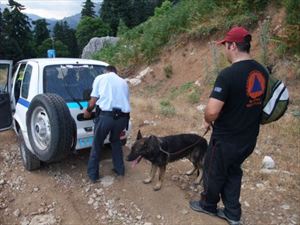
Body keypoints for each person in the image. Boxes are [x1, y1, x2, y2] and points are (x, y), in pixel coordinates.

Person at [189, 27, 269, 225]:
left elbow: (212, 111)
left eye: (225, 46)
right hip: (249, 138)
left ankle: (208, 205)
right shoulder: (263, 71)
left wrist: (207, 118)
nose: (225, 50)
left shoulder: (227, 75)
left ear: (233, 46)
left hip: (226, 139)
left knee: (213, 170)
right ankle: (233, 214)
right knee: (233, 171)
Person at [83, 65, 130, 183]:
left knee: (97, 144)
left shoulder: (100, 78)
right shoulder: (123, 82)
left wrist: (87, 111)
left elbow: (93, 101)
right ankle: (120, 170)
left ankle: (93, 175)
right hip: (122, 118)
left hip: (106, 117)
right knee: (115, 141)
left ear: (106, 71)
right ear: (116, 72)